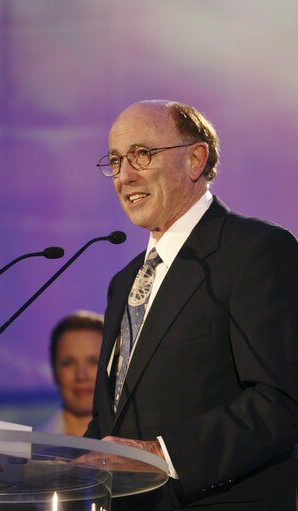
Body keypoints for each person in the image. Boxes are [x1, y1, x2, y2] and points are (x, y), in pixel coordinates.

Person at [85, 100, 298, 510]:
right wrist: (69, 466)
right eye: (114, 160)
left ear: (195, 159)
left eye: (142, 155)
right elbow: (109, 420)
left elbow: (282, 399)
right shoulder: (124, 282)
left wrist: (163, 455)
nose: (124, 176)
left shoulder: (255, 250)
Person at [38, 310, 103, 436]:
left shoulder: (139, 448)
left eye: (94, 361)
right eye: (68, 363)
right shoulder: (31, 451)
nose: (81, 376)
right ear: (54, 369)